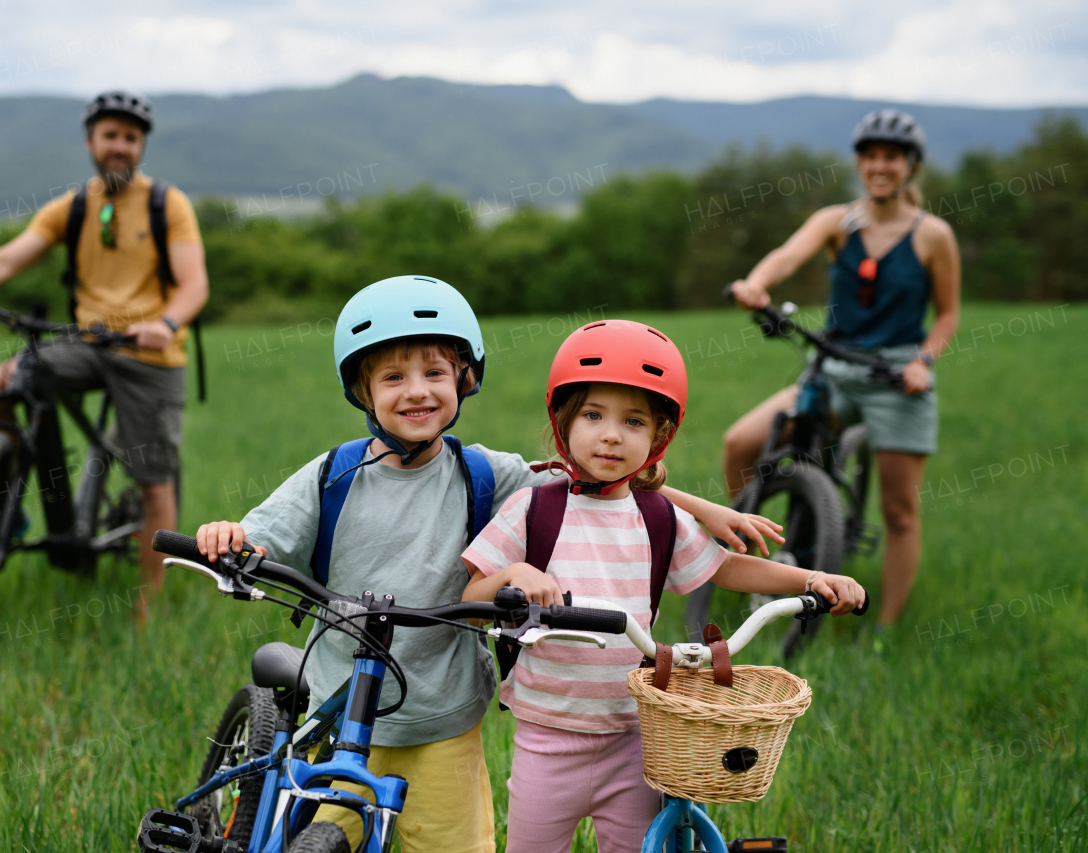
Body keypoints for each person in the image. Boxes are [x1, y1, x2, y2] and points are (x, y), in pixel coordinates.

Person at [195, 277, 781, 853]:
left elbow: (592, 476)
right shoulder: (331, 476)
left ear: (463, 380)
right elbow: (260, 537)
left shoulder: (481, 473)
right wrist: (231, 537)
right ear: (362, 390)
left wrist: (696, 505)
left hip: (444, 717)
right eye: (393, 377)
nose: (416, 391)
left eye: (435, 374)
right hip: (345, 705)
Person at [460, 319, 866, 853]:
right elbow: (471, 600)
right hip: (547, 740)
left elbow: (726, 568)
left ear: (659, 437)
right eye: (593, 415)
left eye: (634, 421)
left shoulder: (657, 517)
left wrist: (813, 578)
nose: (611, 434)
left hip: (636, 738)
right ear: (563, 421)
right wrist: (513, 575)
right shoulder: (533, 509)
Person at [0, 91, 209, 611]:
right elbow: (6, 261)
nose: (120, 146)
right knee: (0, 382)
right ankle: (6, 508)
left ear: (140, 146)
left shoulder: (168, 204)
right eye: (110, 135)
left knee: (154, 481)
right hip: (88, 342)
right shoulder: (72, 208)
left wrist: (165, 322)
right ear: (91, 142)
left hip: (150, 354)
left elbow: (194, 285)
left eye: (130, 138)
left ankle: (148, 608)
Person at [724, 109, 960, 628]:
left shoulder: (932, 236)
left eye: (892, 158)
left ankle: (885, 627)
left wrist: (924, 361)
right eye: (871, 156)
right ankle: (743, 569)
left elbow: (947, 313)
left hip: (897, 376)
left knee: (899, 510)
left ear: (910, 167)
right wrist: (756, 284)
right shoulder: (837, 222)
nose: (880, 166)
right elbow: (787, 256)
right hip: (832, 366)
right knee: (740, 444)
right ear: (860, 163)